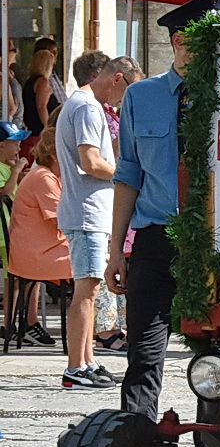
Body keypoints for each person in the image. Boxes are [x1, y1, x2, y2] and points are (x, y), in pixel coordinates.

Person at [109, 0, 220, 418]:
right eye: (204, 41)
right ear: (178, 41)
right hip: (158, 238)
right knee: (143, 354)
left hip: (218, 242)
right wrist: (117, 247)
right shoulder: (142, 96)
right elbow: (128, 175)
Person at [56, 56, 140, 391]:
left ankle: (87, 360)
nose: (123, 101)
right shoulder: (88, 108)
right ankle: (76, 365)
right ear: (117, 78)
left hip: (88, 211)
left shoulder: (83, 104)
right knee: (87, 289)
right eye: (126, 92)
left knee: (89, 289)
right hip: (87, 212)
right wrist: (127, 176)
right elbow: (91, 162)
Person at [10, 121, 72, 352]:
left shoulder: (49, 177)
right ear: (57, 155)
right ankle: (103, 331)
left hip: (41, 251)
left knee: (99, 261)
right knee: (97, 267)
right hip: (38, 256)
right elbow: (63, 221)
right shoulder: (44, 179)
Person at [22, 38, 60, 137]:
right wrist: (48, 129)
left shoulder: (30, 81)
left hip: (33, 130)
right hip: (39, 132)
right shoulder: (42, 82)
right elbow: (42, 106)